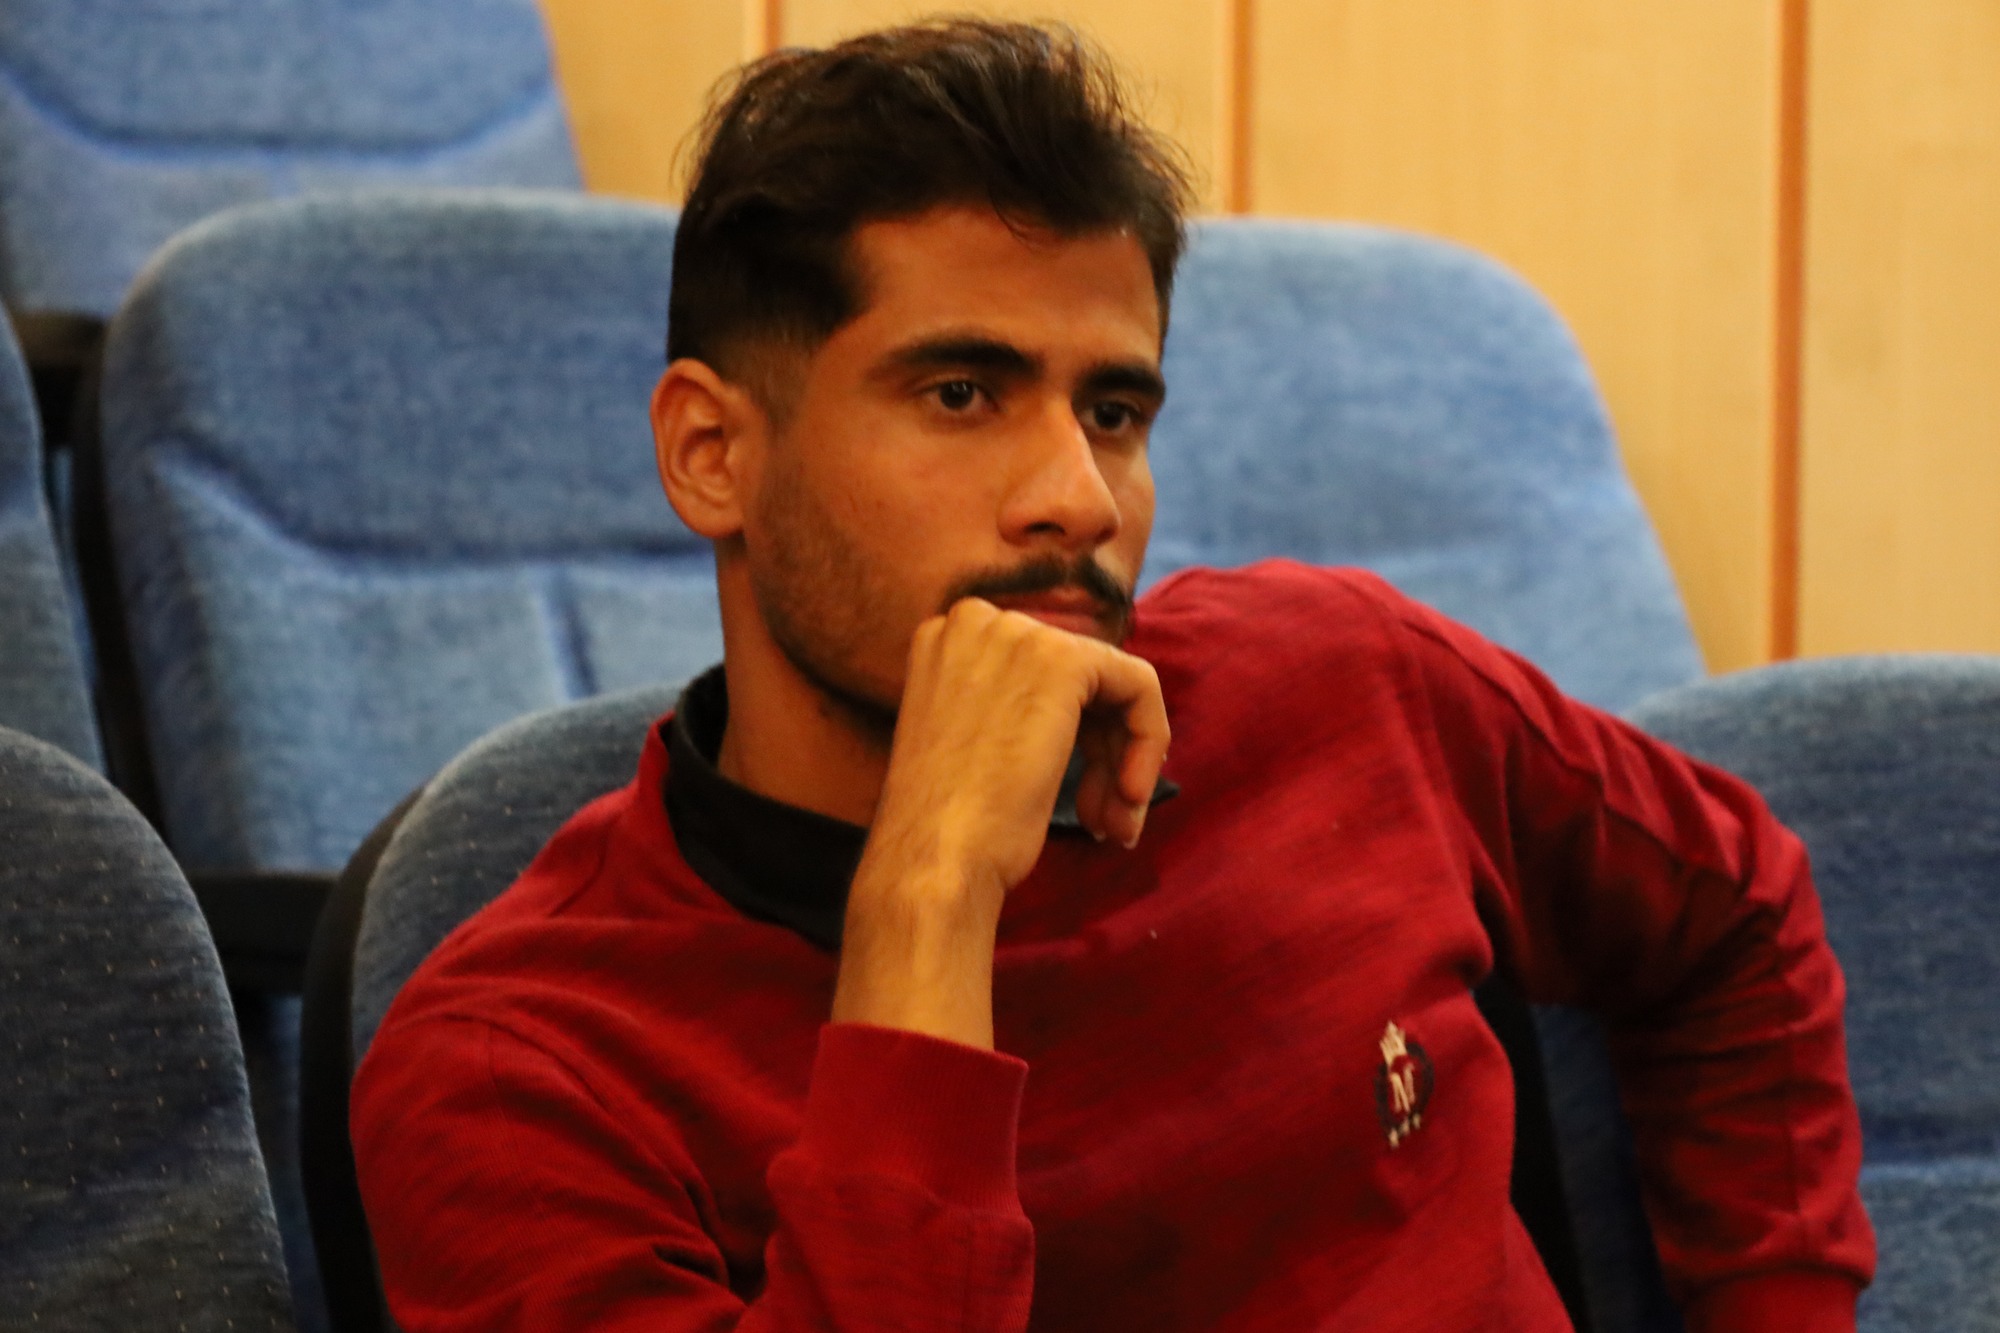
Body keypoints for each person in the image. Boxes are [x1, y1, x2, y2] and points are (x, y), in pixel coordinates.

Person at [352, 19, 1874, 1331]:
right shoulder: (518, 1069)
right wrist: (930, 900)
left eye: (1115, 412)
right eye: (963, 393)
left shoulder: (1334, 678)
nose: (1077, 498)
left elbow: (1738, 906)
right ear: (711, 452)